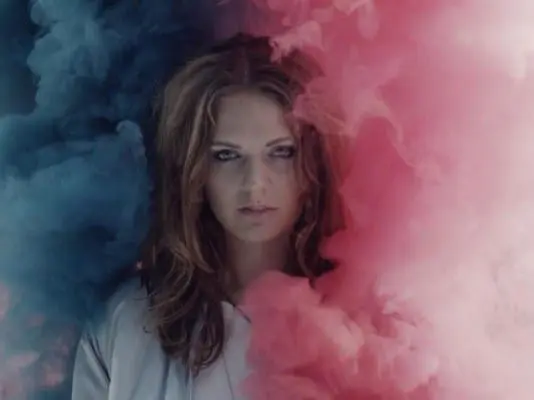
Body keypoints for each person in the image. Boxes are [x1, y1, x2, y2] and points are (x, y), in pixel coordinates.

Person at [71, 33, 344, 400]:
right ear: (193, 171)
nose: (254, 183)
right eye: (226, 155)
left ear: (315, 161)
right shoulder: (126, 322)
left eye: (281, 152)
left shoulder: (366, 323)